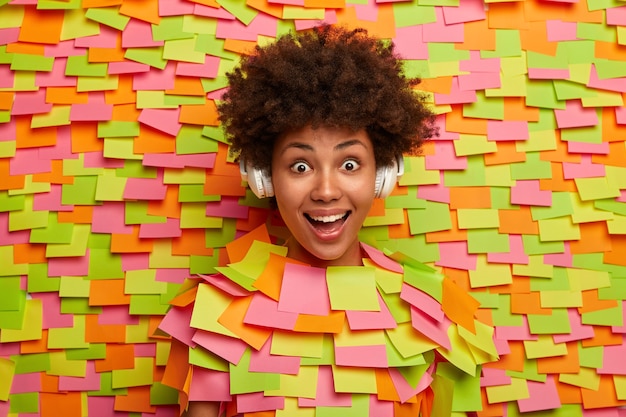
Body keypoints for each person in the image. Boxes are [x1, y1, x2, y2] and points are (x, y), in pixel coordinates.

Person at [159, 25, 497, 417]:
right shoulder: (215, 312)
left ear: (383, 173)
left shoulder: (434, 311)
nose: (325, 190)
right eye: (300, 166)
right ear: (265, 178)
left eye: (349, 164)